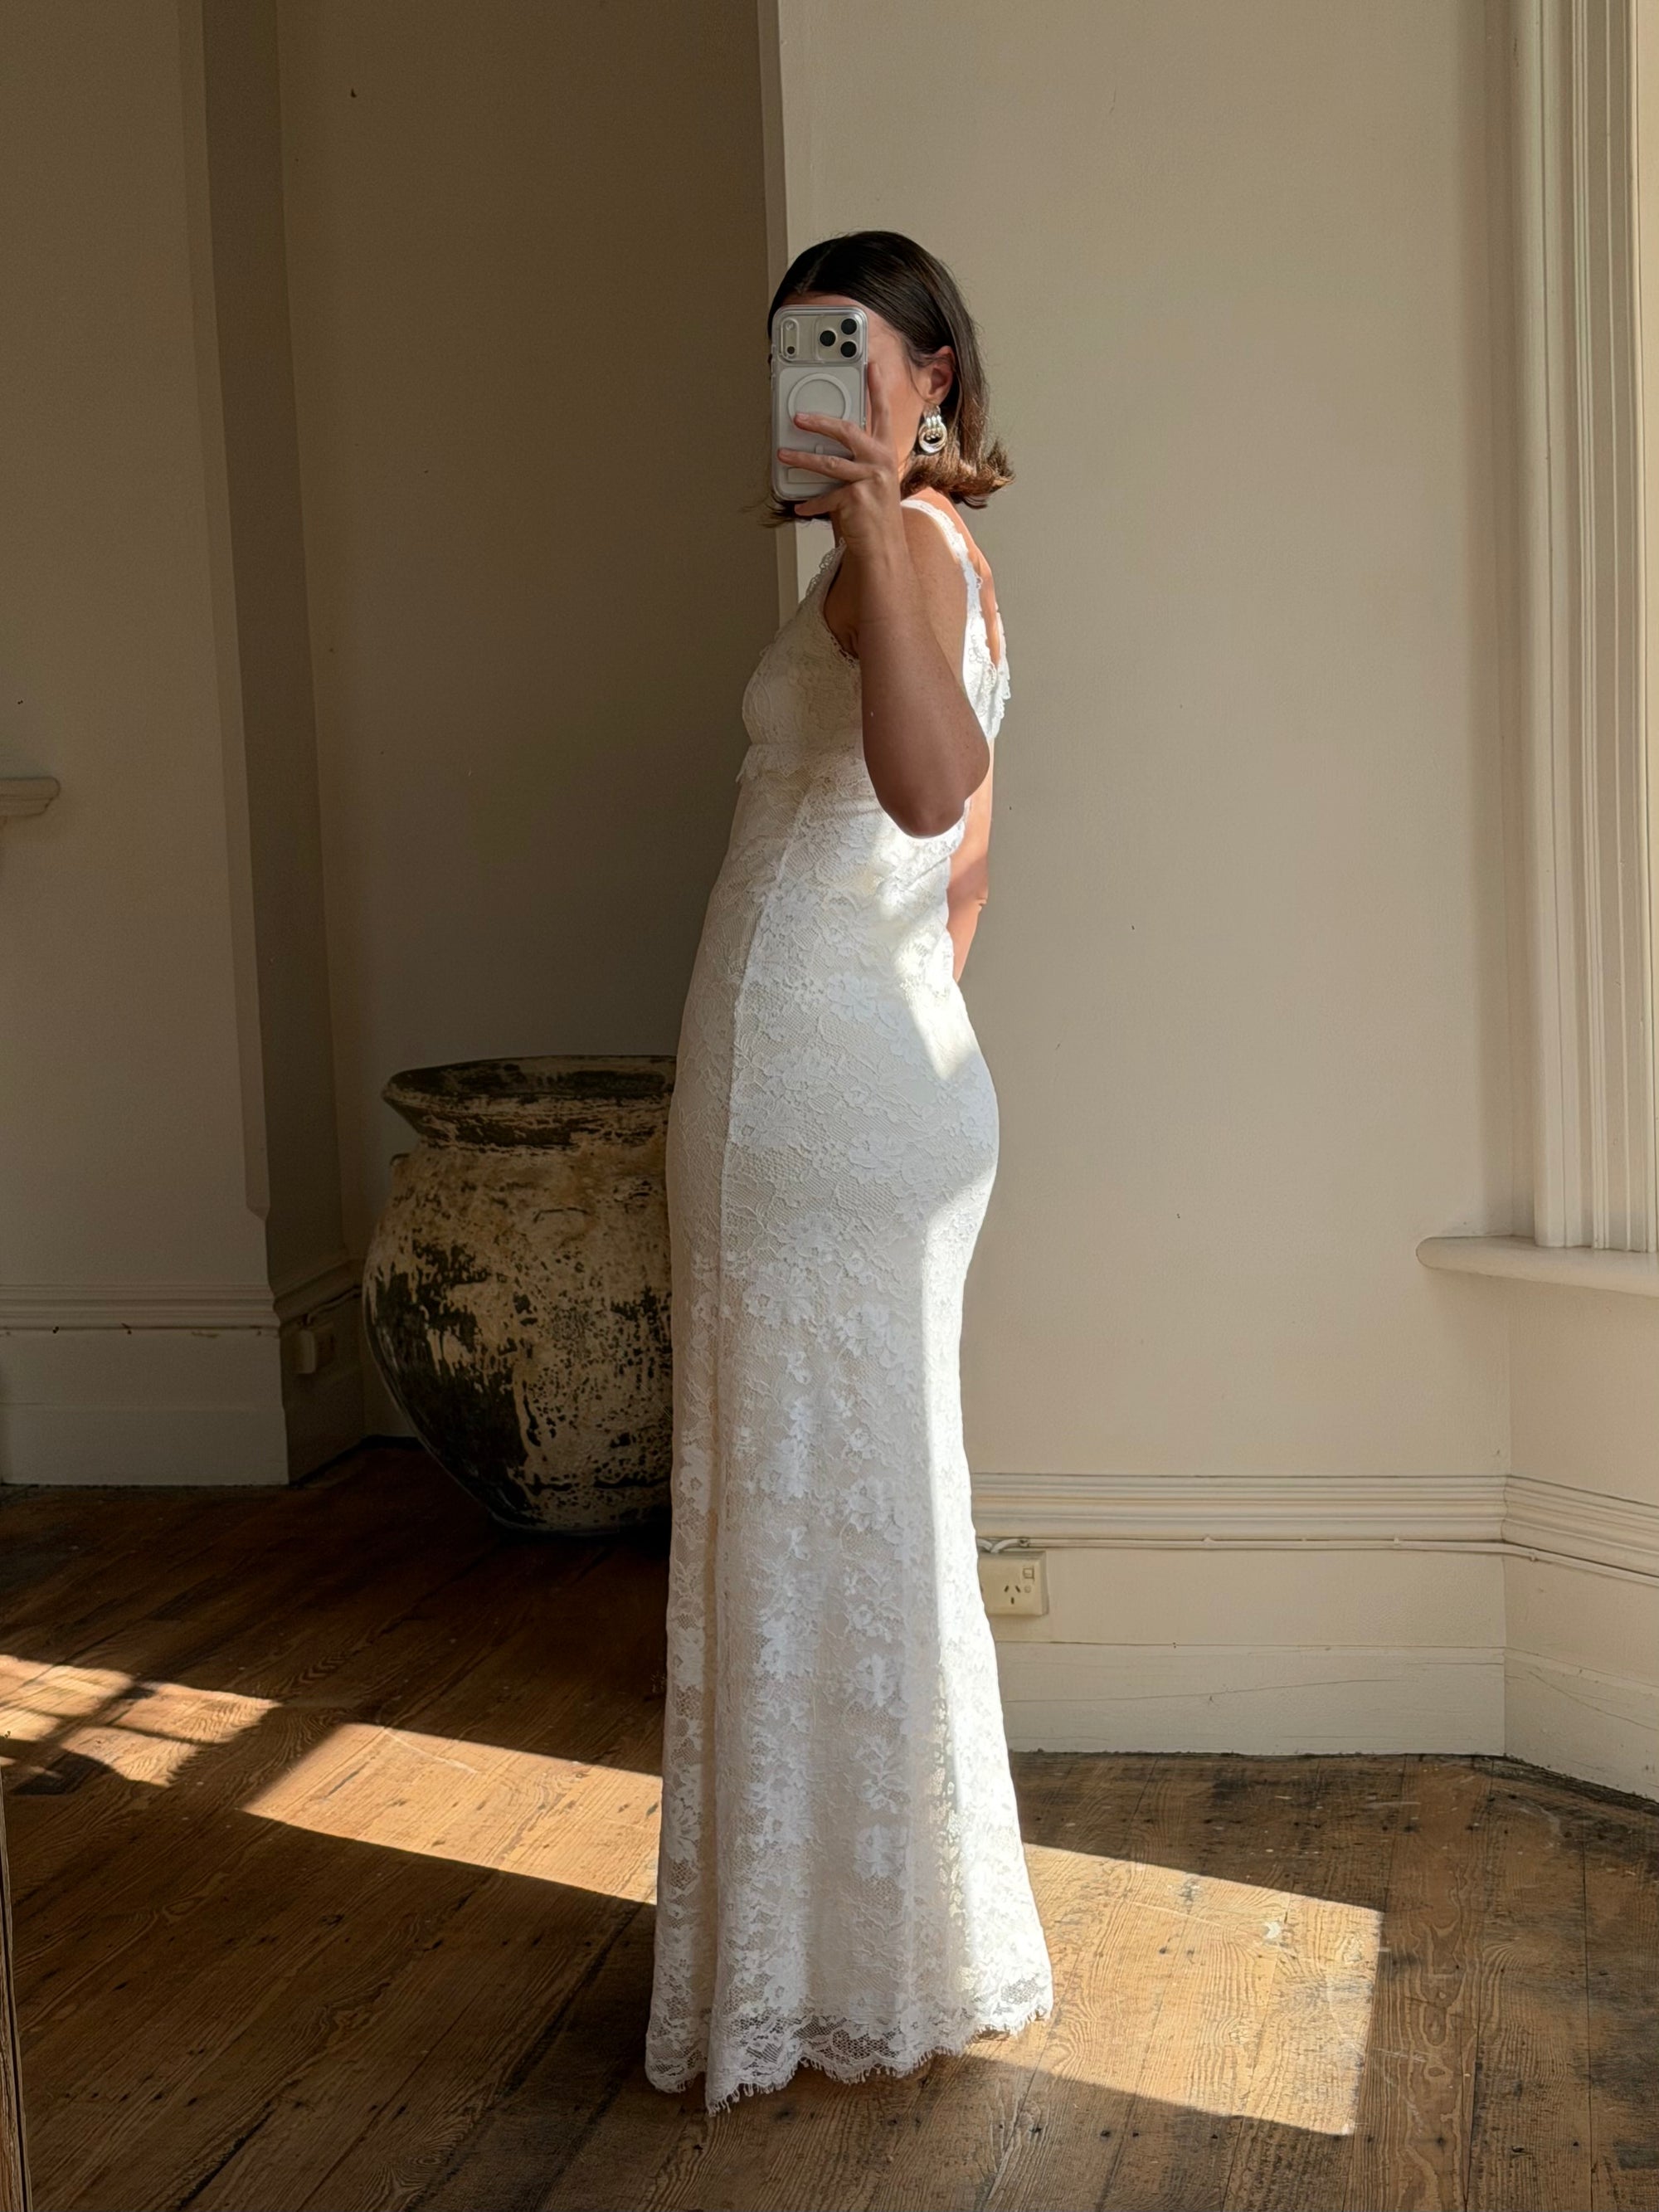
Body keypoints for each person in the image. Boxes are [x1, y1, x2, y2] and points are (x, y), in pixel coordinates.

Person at [645, 231, 1053, 2112]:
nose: (817, 385)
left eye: (853, 351)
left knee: (814, 1520)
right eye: (795, 356)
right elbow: (962, 881)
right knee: (846, 1517)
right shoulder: (911, 558)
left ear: (933, 376)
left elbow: (927, 790)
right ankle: (868, 1945)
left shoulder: (915, 546)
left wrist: (880, 515)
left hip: (816, 1111)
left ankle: (831, 1963)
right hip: (843, 1092)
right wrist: (900, 1056)